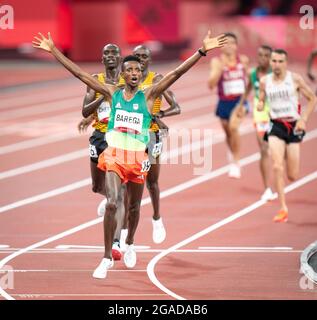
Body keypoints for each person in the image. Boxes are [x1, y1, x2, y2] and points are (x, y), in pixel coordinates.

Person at [32, 30, 227, 279]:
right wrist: (54, 51)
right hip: (114, 156)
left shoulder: (149, 95)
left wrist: (201, 51)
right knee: (113, 202)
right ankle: (105, 258)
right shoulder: (111, 93)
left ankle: (131, 242)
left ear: (140, 73)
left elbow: (176, 73)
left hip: (137, 159)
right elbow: (79, 73)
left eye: (137, 70)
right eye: (130, 71)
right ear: (123, 75)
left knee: (134, 207)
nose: (134, 74)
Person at [117, 44, 181, 247]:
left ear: (149, 60)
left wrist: (158, 115)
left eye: (144, 57)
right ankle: (125, 229)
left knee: (152, 182)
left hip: (152, 135)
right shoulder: (124, 81)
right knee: (127, 184)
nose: (141, 60)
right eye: (137, 56)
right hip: (131, 137)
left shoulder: (156, 80)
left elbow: (176, 107)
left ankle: (156, 218)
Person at [258, 49, 316, 222]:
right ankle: (283, 208)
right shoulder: (264, 81)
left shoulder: (295, 79)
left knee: (292, 175)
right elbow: (261, 98)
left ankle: (285, 154)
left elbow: (312, 98)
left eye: (280, 61)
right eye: (274, 61)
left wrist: (303, 119)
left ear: (286, 63)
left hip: (293, 126)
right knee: (277, 166)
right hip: (276, 125)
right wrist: (261, 104)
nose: (276, 64)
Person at [78, 44, 124, 261]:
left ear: (120, 57)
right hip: (98, 138)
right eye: (106, 53)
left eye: (114, 53)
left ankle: (116, 243)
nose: (110, 56)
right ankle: (108, 198)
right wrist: (104, 95)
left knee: (119, 194)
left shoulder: (127, 81)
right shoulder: (94, 80)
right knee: (97, 186)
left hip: (121, 140)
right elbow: (85, 110)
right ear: (102, 58)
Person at [234, 45, 274, 201]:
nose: (262, 58)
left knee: (279, 152)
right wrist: (240, 105)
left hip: (277, 112)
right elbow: (247, 90)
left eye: (266, 55)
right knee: (264, 149)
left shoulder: (275, 73)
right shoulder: (253, 74)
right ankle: (267, 188)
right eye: (260, 55)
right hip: (261, 113)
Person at [208, 32, 249, 178]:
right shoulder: (217, 62)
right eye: (225, 43)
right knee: (228, 132)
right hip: (224, 102)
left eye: (232, 43)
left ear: (236, 46)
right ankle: (232, 151)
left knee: (233, 127)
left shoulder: (243, 60)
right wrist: (220, 69)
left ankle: (236, 163)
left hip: (240, 102)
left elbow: (250, 79)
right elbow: (211, 85)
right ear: (221, 46)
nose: (229, 46)